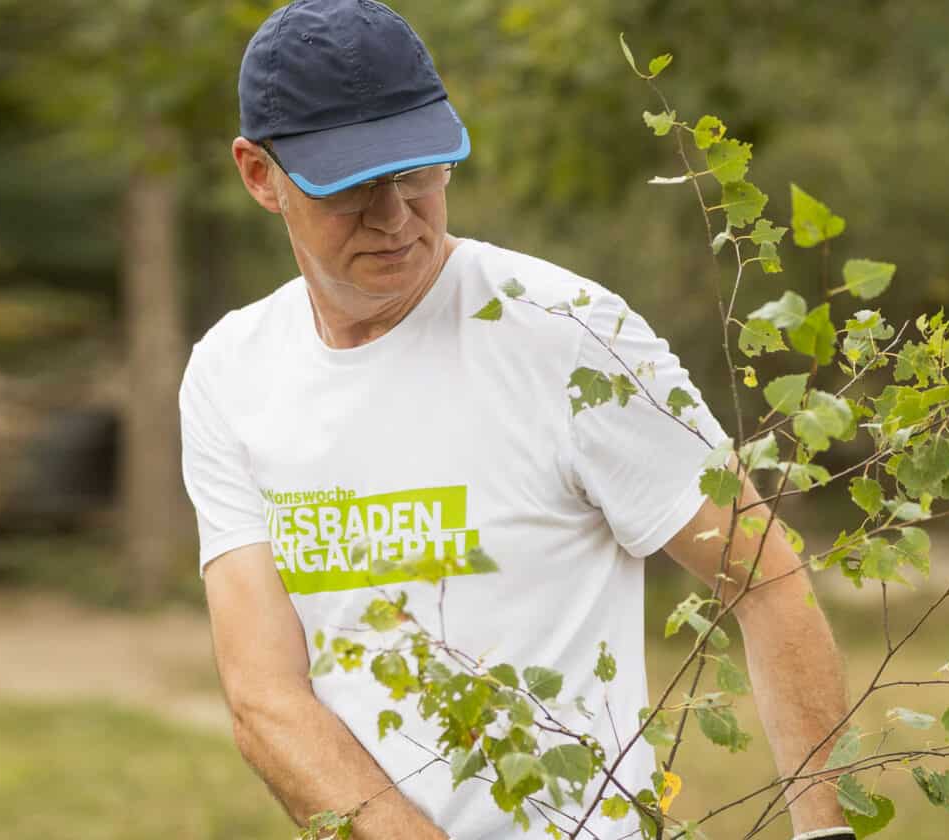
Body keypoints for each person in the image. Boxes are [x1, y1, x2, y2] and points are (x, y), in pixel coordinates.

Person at [183, 2, 854, 837]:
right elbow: (265, 696)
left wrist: (825, 832)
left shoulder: (565, 333)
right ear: (259, 175)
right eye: (352, 185)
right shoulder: (231, 372)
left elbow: (763, 576)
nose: (394, 215)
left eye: (417, 172)